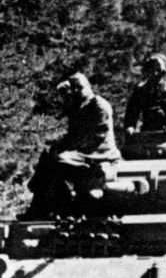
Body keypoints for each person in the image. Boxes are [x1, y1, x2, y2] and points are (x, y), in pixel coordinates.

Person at [23, 73, 121, 218]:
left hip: (100, 153)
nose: (76, 91)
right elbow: (72, 135)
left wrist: (70, 149)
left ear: (88, 87)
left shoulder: (99, 105)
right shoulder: (79, 107)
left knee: (60, 160)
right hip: (83, 151)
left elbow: (98, 136)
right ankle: (38, 207)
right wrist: (58, 147)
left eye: (80, 87)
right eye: (74, 88)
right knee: (49, 155)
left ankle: (59, 207)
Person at [124, 53, 166, 135]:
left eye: (158, 70)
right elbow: (131, 112)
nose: (155, 73)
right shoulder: (141, 90)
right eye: (152, 69)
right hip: (146, 132)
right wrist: (130, 126)